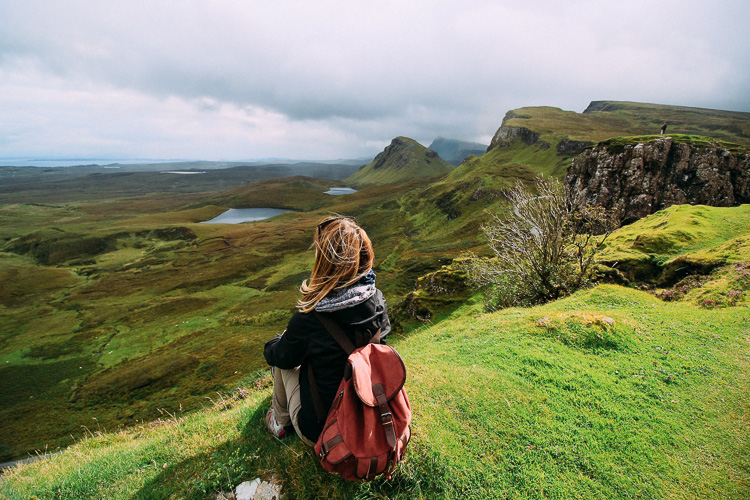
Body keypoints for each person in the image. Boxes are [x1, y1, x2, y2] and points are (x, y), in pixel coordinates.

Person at [263, 215, 391, 446]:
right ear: (364, 254)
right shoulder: (376, 300)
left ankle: (279, 422)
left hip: (326, 434)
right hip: (371, 414)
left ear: (324, 262)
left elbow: (281, 357)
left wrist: (276, 343)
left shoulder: (310, 319)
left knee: (282, 363)